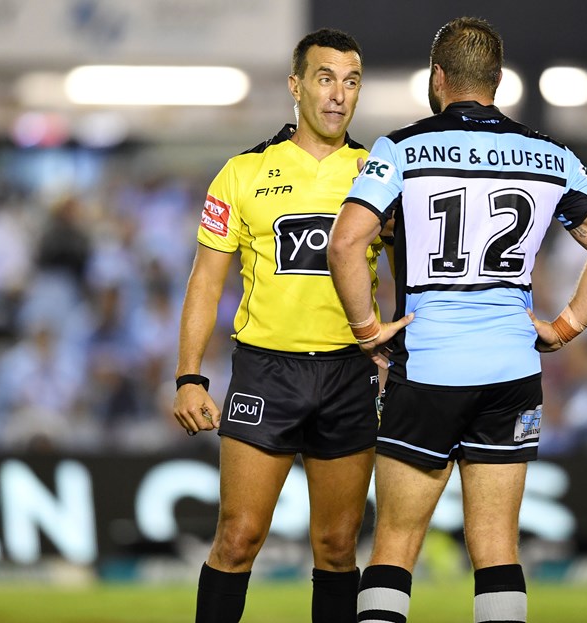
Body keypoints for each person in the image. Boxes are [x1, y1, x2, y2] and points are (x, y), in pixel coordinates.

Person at [327, 16, 587, 623]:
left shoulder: (404, 149)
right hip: (510, 367)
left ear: (437, 78)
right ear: (497, 81)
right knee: (496, 546)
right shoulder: (550, 156)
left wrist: (367, 332)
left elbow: (345, 244)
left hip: (430, 362)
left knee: (395, 545)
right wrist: (565, 326)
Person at [173, 28, 402, 623]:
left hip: (349, 373)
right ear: (295, 86)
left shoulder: (379, 174)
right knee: (238, 538)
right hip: (265, 372)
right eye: (325, 79)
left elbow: (409, 278)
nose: (338, 95)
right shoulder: (242, 172)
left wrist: (400, 352)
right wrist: (188, 375)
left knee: (335, 548)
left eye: (351, 81)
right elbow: (205, 281)